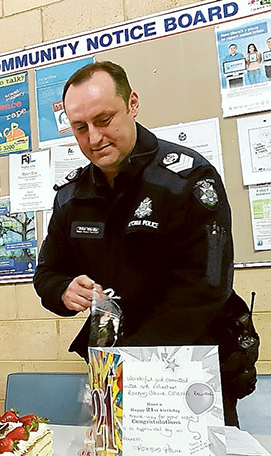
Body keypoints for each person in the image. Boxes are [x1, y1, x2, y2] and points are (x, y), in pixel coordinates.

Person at [33, 61, 256, 427]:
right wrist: (63, 289)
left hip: (188, 370)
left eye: (104, 119)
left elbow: (206, 287)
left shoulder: (187, 179)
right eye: (79, 127)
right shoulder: (73, 195)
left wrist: (130, 362)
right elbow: (48, 271)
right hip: (113, 373)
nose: (93, 138)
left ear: (132, 104)